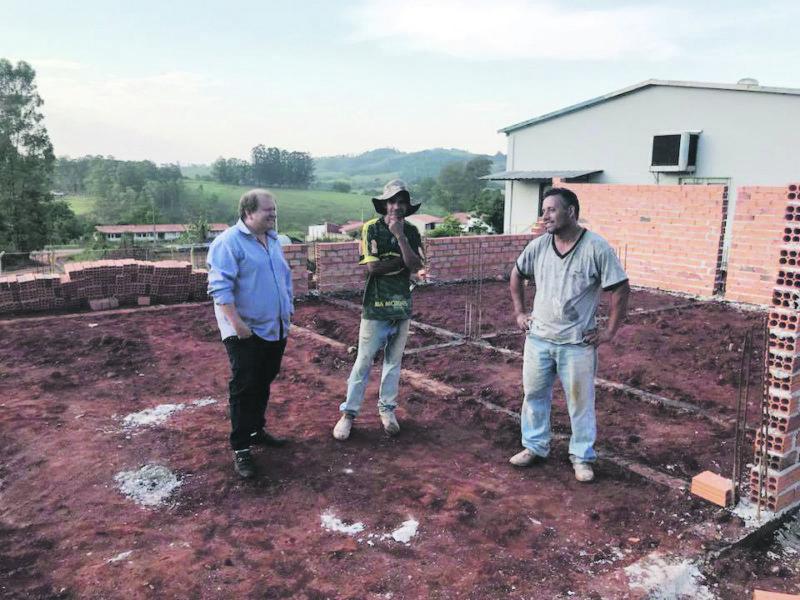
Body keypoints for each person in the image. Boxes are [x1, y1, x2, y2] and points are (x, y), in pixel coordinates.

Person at [509, 187, 629, 482]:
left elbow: (620, 288)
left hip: (577, 344)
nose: (544, 216)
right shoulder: (538, 246)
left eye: (551, 209)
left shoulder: (596, 248)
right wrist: (520, 313)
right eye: (544, 210)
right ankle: (534, 446)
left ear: (571, 212)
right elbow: (516, 274)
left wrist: (610, 331)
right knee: (534, 396)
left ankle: (581, 457)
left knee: (580, 403)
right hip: (538, 339)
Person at [207, 189, 294, 479]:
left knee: (264, 380)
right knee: (244, 387)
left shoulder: (272, 240)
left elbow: (284, 277)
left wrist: (288, 308)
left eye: (274, 209)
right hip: (243, 331)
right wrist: (237, 325)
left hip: (275, 326)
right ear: (248, 212)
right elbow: (220, 288)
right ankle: (241, 448)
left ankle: (256, 430)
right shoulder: (228, 243)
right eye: (268, 210)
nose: (273, 214)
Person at [332, 179, 424, 441]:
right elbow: (373, 269)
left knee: (393, 363)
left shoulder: (412, 232)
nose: (397, 206)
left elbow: (416, 266)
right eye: (392, 201)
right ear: (385, 204)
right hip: (375, 305)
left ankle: (387, 410)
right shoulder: (370, 229)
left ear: (407, 206)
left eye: (401, 202)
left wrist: (399, 238)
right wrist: (402, 263)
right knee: (364, 361)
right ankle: (348, 414)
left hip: (401, 306)